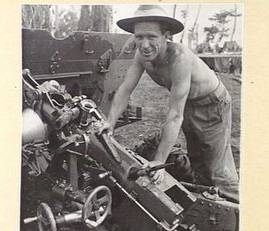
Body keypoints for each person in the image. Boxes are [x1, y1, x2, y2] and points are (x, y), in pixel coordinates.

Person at [99, 5, 239, 202]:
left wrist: (158, 161)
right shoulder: (141, 56)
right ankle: (207, 207)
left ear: (166, 36)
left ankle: (237, 211)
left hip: (212, 104)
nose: (145, 44)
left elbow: (174, 116)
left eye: (151, 37)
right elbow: (124, 91)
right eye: (139, 37)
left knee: (218, 171)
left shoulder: (180, 59)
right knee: (198, 159)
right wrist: (110, 123)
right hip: (190, 104)